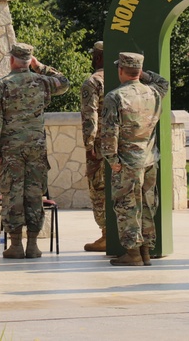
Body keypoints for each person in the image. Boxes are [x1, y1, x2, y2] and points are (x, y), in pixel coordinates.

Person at [0, 43, 69, 259]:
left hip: (12, 149)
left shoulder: (2, 85)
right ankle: (32, 244)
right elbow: (64, 83)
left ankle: (15, 245)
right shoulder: (42, 82)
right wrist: (40, 67)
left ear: (12, 60)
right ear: (30, 61)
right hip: (36, 148)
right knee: (34, 194)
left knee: (13, 193)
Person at [99, 52, 169, 267]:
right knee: (147, 204)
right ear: (138, 71)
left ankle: (132, 253)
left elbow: (110, 132)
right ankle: (146, 251)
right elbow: (163, 82)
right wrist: (142, 72)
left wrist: (112, 159)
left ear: (120, 70)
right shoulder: (154, 93)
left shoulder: (115, 96)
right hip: (149, 159)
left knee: (127, 205)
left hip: (127, 161)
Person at [80, 41, 107, 252]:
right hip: (121, 144)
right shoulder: (122, 78)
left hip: (100, 146)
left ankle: (107, 234)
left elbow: (90, 116)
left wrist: (89, 144)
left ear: (97, 57)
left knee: (98, 189)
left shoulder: (93, 82)